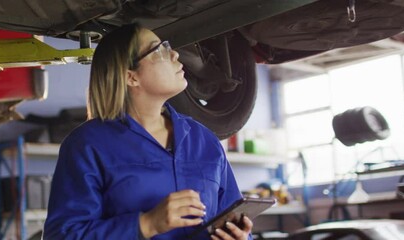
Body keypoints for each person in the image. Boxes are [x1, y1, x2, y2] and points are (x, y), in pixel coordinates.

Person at [43, 22, 253, 240]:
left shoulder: (204, 139)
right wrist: (146, 224)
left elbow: (231, 214)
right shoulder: (87, 145)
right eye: (159, 50)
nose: (174, 54)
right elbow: (62, 236)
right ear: (131, 76)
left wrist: (240, 237)